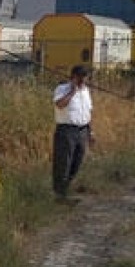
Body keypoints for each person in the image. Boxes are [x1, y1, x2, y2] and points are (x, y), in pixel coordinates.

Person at [52, 64, 94, 202]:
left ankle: (65, 188)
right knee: (64, 162)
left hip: (82, 131)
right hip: (66, 131)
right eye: (80, 78)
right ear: (74, 77)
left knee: (77, 162)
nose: (83, 81)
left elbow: (88, 112)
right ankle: (60, 194)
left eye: (85, 78)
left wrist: (91, 132)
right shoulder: (62, 89)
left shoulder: (86, 91)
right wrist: (72, 92)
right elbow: (59, 104)